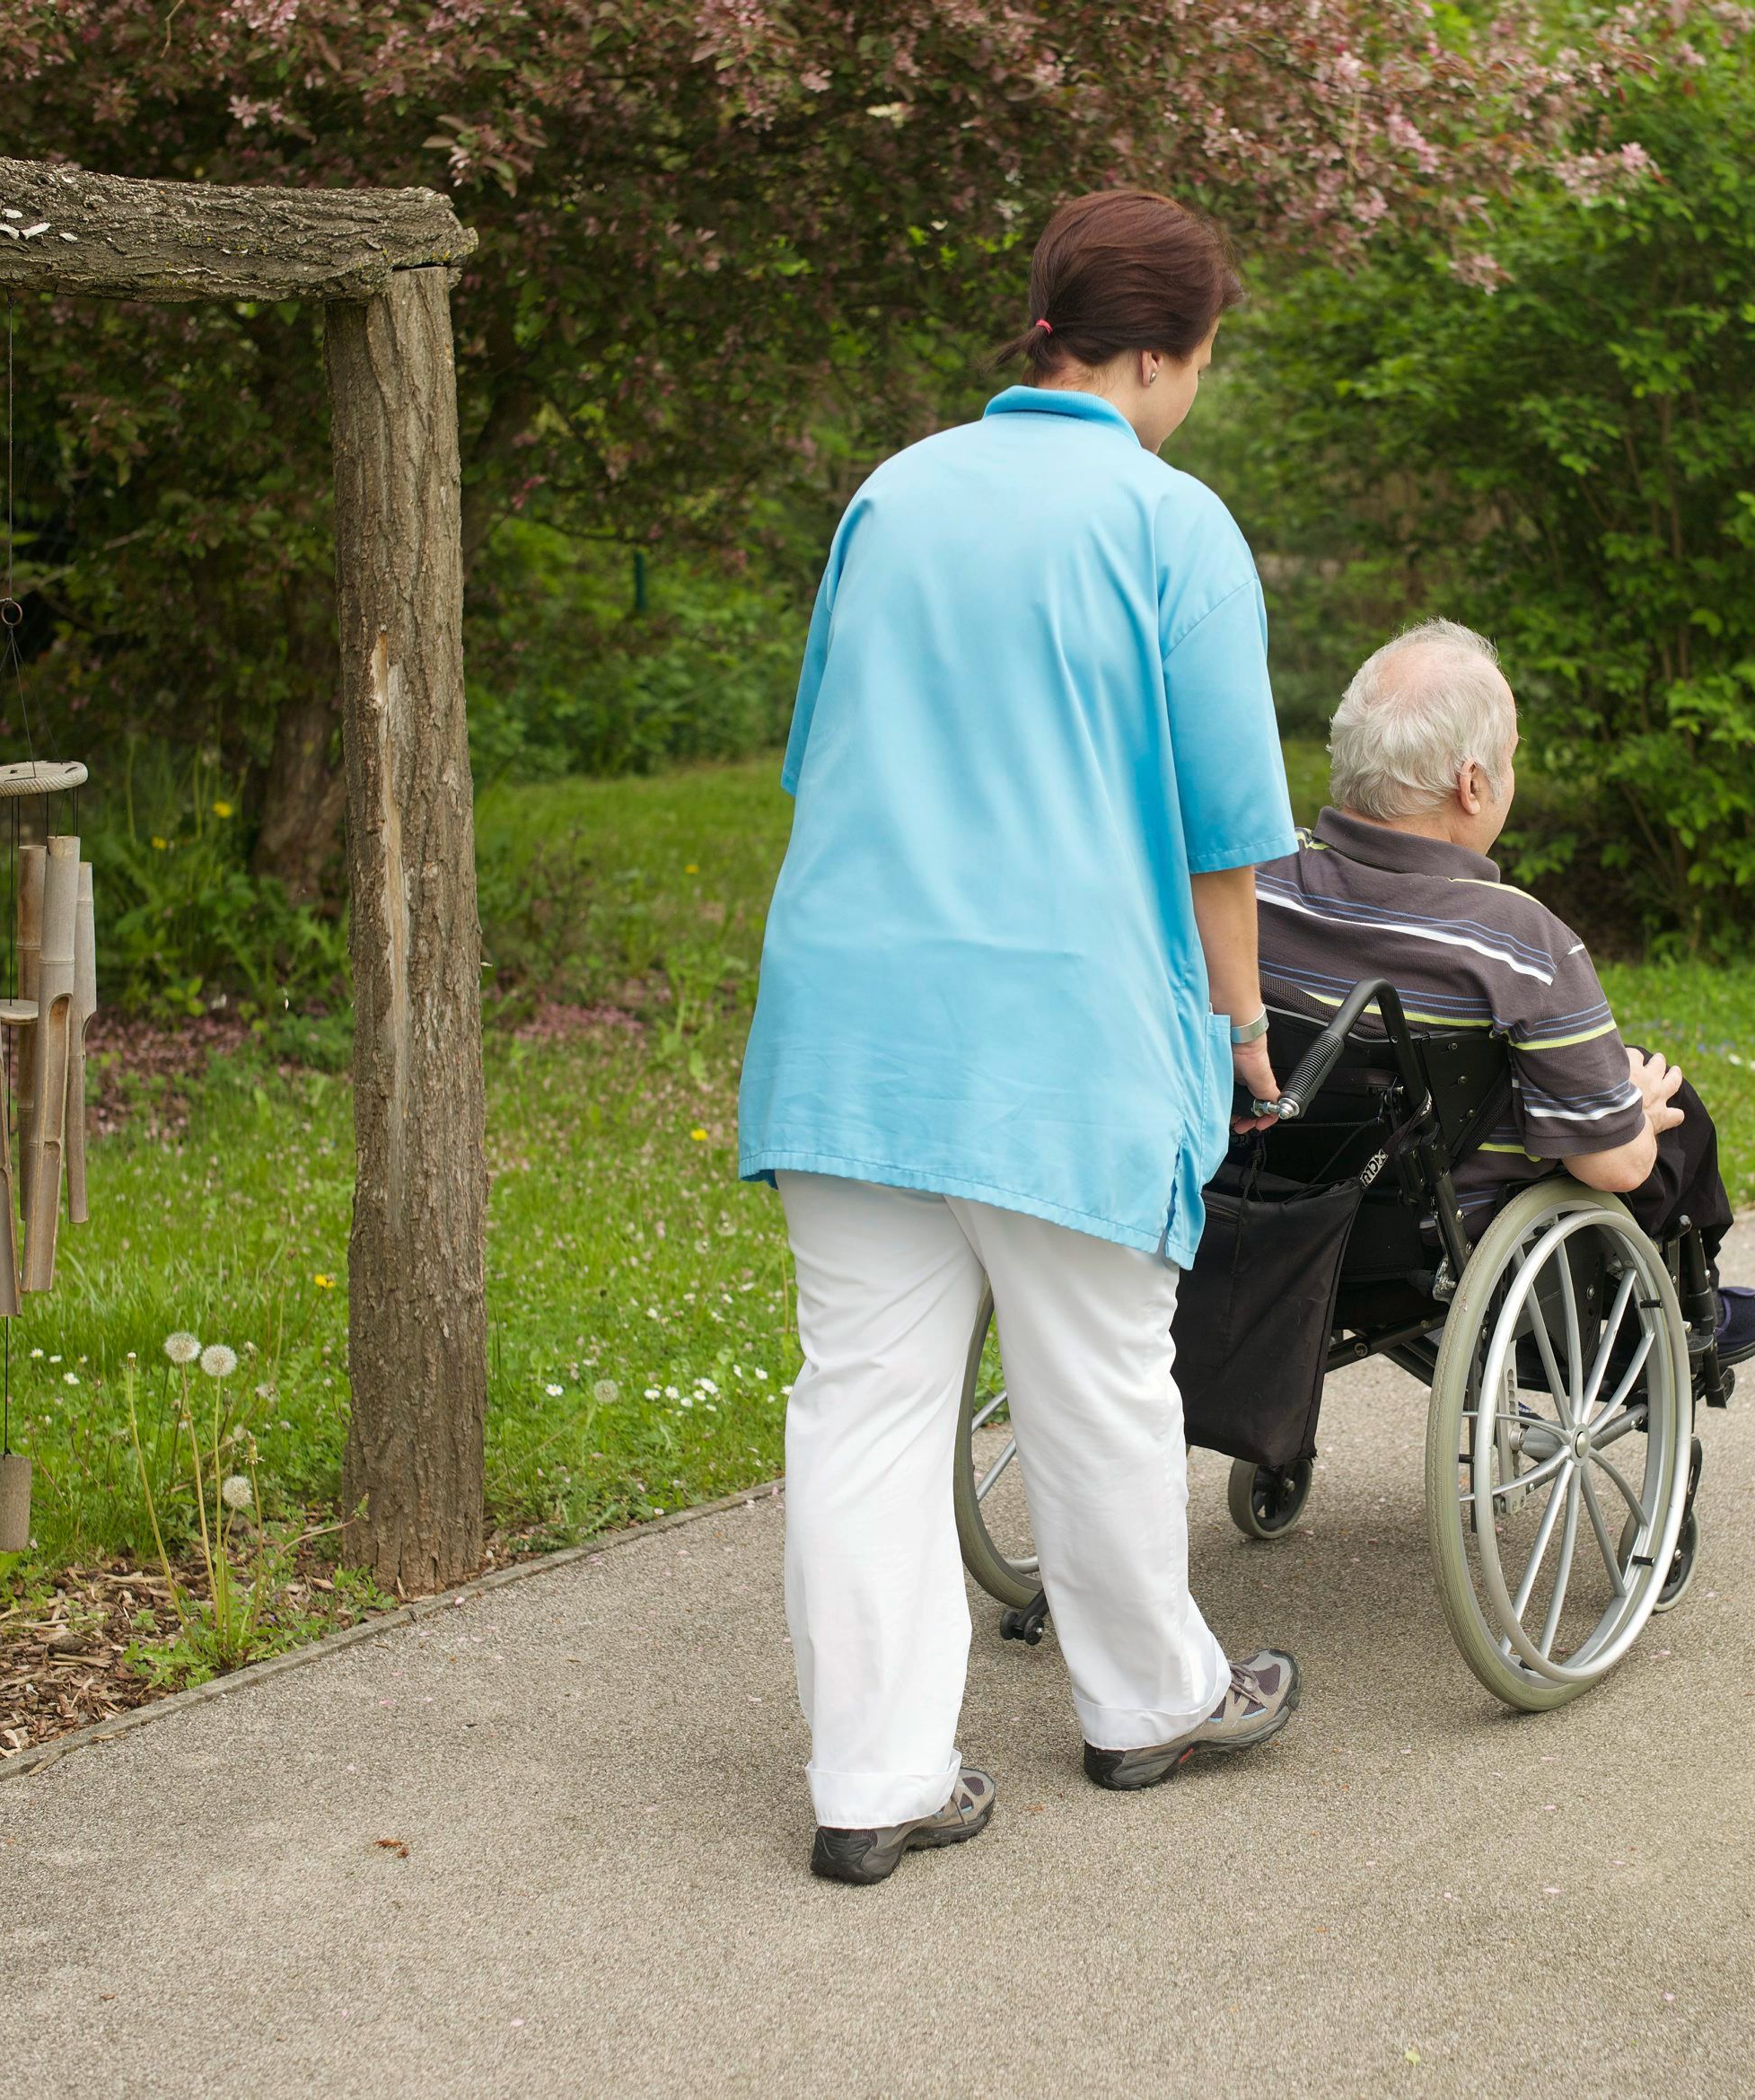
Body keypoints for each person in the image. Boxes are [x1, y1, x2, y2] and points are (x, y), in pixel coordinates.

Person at [737, 191, 1302, 1888]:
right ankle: (1152, 1701)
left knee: (862, 1407)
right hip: (1059, 1028)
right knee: (1103, 1379)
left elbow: (817, 759)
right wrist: (1248, 1027)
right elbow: (1222, 833)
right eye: (1196, 361)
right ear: (1148, 356)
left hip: (850, 1025)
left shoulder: (890, 497)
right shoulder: (1170, 521)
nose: (1192, 389)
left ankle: (876, 1778)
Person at [1253, 620, 1755, 1369]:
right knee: (1673, 1111)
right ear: (1472, 784)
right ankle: (1688, 1306)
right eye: (1507, 760)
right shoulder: (1519, 941)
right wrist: (1629, 1104)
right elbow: (1617, 1170)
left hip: (1280, 1215)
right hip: (1448, 1247)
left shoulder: (1259, 890)